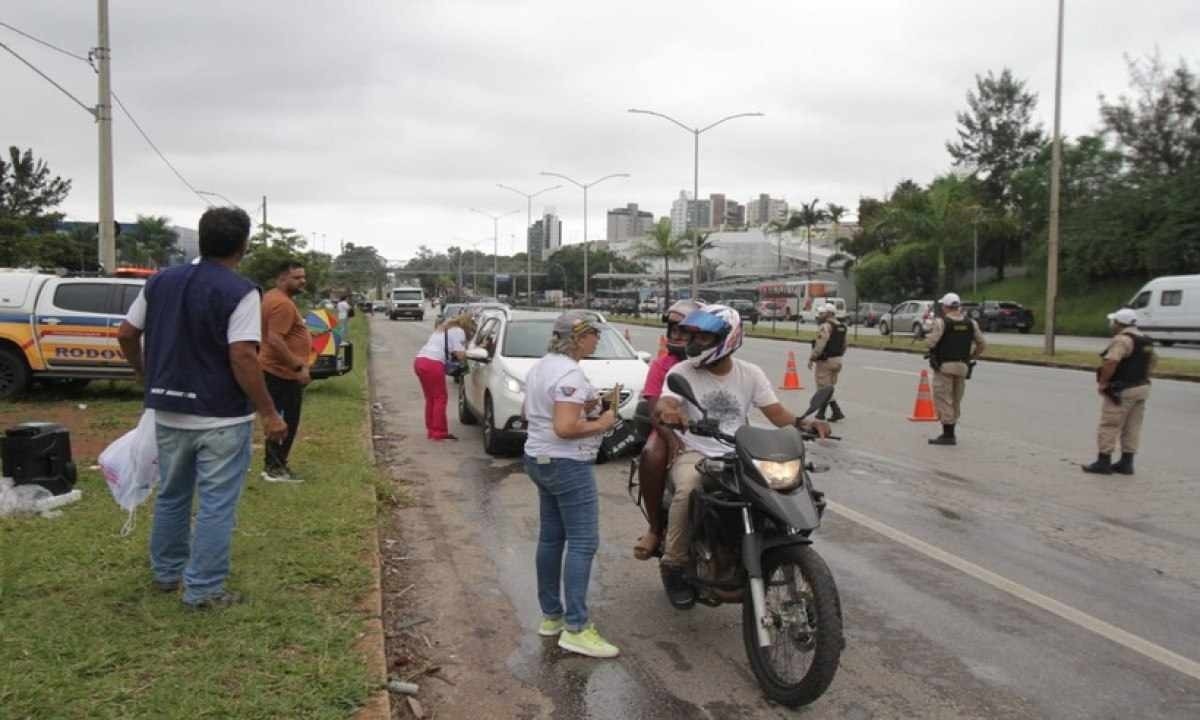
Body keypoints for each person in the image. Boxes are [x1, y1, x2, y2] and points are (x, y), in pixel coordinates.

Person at [116, 207, 288, 610]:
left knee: (173, 495)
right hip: (221, 416)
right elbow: (243, 355)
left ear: (202, 237)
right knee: (216, 503)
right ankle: (204, 589)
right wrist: (269, 412)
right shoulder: (241, 290)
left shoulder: (160, 282)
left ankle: (167, 572)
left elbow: (126, 333)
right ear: (243, 245)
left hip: (168, 411)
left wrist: (144, 372)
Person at [654, 305, 831, 609]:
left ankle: (770, 547)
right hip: (698, 451)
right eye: (693, 335)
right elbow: (665, 403)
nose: (695, 342)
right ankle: (674, 563)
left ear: (728, 338)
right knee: (688, 489)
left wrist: (803, 423)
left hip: (740, 452)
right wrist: (670, 411)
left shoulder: (750, 373)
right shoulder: (681, 371)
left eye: (704, 336)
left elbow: (775, 413)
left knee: (795, 485)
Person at [522, 311, 620, 658]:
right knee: (582, 542)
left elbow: (534, 411)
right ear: (579, 338)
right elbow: (564, 428)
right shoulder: (569, 373)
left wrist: (585, 404)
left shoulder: (543, 366)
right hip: (566, 462)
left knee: (551, 538)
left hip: (539, 458)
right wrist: (604, 421)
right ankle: (576, 627)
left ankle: (552, 616)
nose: (597, 341)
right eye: (594, 335)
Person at [632, 299, 701, 561]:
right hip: (668, 428)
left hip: (709, 431)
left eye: (683, 330)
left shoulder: (713, 362)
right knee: (652, 454)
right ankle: (654, 529)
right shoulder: (663, 365)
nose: (677, 335)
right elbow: (654, 410)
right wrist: (672, 441)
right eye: (673, 330)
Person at [1082, 308, 1155, 475]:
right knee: (1133, 426)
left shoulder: (1122, 340)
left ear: (1118, 323)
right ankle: (1126, 463)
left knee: (1110, 424)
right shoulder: (1146, 340)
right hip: (1142, 387)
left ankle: (1103, 462)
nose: (1111, 324)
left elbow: (1111, 362)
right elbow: (1152, 363)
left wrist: (1103, 383)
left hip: (1122, 389)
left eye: (1113, 321)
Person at [259, 262, 313, 482]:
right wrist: (298, 366)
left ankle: (273, 464)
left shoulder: (272, 298)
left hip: (276, 370)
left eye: (303, 277)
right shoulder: (282, 304)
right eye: (297, 277)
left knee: (279, 419)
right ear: (281, 279)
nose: (302, 281)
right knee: (285, 421)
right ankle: (275, 468)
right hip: (280, 372)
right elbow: (274, 339)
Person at [924, 292, 986, 446]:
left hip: (944, 367)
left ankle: (948, 435)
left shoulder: (941, 322)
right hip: (963, 367)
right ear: (958, 306)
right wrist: (971, 357)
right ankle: (951, 431)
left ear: (945, 307)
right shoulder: (971, 323)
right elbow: (982, 344)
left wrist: (928, 335)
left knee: (944, 399)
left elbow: (931, 343)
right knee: (956, 400)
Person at [413, 314, 475, 440]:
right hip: (433, 363)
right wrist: (473, 351)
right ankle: (439, 432)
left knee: (431, 398)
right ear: (467, 325)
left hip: (420, 361)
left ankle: (431, 430)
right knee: (440, 398)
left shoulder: (443, 328)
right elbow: (460, 355)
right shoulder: (458, 331)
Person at [808, 302, 847, 422]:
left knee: (823, 388)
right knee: (828, 387)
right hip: (838, 361)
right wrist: (838, 356)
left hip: (826, 361)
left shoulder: (825, 326)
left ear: (829, 313)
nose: (819, 315)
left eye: (822, 313)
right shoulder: (842, 326)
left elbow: (820, 344)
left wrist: (812, 357)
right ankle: (824, 413)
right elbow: (845, 345)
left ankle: (835, 411)